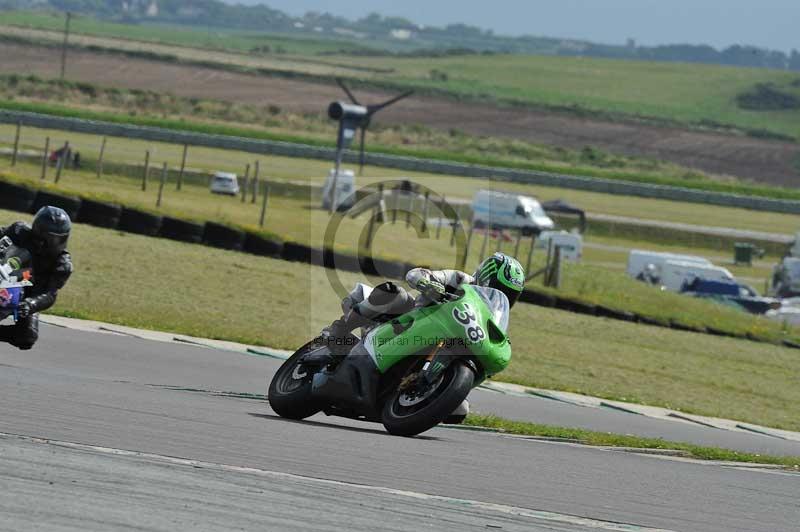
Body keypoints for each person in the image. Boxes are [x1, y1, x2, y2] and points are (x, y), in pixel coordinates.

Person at [304, 252, 525, 365]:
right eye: (499, 288)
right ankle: (338, 333)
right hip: (402, 324)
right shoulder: (459, 280)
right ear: (487, 277)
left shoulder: (491, 321)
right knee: (397, 294)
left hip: (429, 349)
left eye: (510, 295)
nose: (504, 296)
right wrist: (429, 283)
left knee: (459, 410)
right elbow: (416, 273)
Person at [0, 207, 73, 350]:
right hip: (4, 274)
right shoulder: (18, 231)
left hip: (25, 296)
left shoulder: (62, 264)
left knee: (27, 336)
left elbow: (50, 294)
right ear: (38, 233)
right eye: (52, 238)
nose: (56, 242)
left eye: (60, 238)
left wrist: (30, 304)